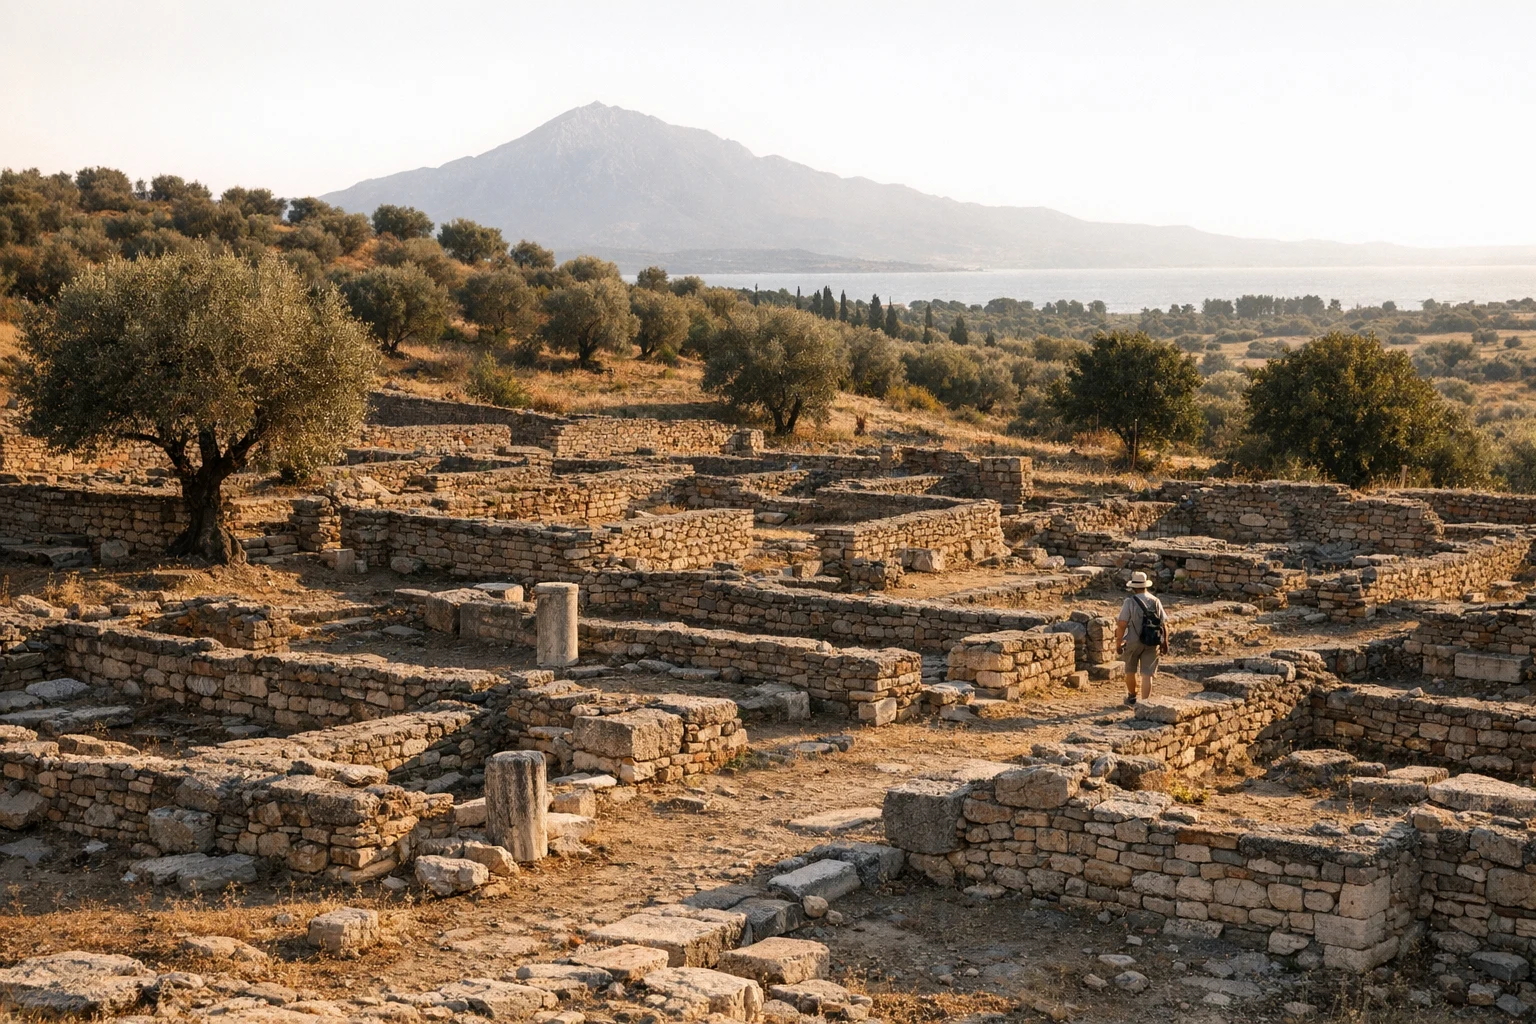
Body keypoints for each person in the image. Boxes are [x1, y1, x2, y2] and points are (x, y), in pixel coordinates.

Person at [1115, 571, 1169, 706]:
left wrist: (1118, 642)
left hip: (1133, 641)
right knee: (1147, 674)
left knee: (1130, 670)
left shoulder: (1129, 602)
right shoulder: (1156, 601)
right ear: (1146, 586)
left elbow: (1122, 624)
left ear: (1133, 587)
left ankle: (1132, 697)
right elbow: (1164, 624)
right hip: (1152, 640)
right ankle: (1145, 703)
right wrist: (1165, 642)